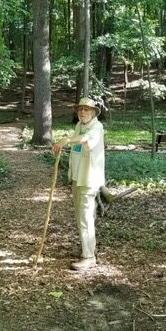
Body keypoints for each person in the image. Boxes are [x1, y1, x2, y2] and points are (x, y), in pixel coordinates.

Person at [53, 97, 106, 271]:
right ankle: (88, 248)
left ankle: (89, 257)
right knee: (82, 216)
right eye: (80, 109)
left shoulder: (96, 127)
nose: (83, 112)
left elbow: (86, 139)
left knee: (85, 217)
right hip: (78, 178)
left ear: (93, 112)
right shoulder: (79, 126)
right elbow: (78, 146)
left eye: (87, 109)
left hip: (89, 179)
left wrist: (67, 140)